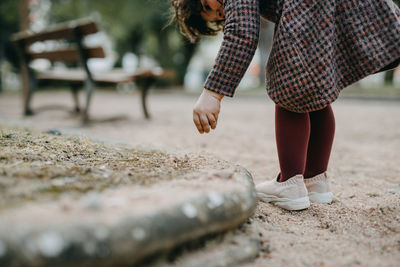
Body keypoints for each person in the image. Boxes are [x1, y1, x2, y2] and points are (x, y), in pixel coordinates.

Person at [170, 0, 400, 210]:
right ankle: (315, 179)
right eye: (221, 17)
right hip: (328, 9)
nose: (224, 13)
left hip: (308, 9)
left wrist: (213, 93)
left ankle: (289, 183)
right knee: (313, 85)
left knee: (289, 82)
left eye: (215, 10)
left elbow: (242, 33)